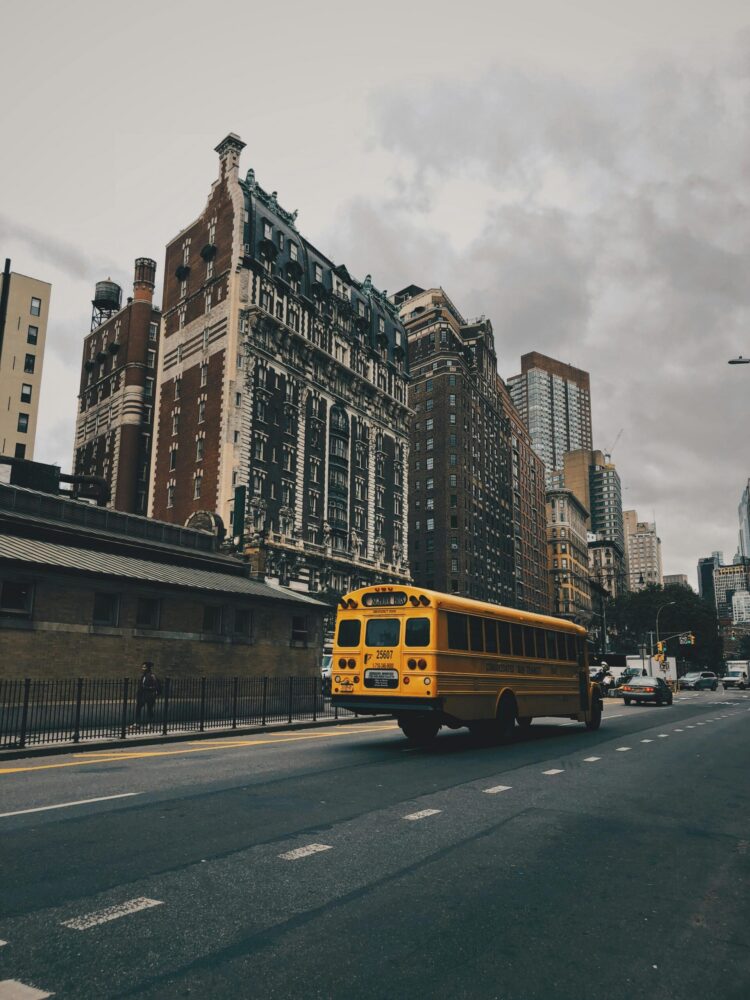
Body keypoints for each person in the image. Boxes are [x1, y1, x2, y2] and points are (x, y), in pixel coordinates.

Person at [134, 662, 161, 728]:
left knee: (149, 709)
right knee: (138, 708)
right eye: (142, 667)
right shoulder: (143, 676)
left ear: (148, 668)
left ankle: (150, 724)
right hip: (142, 695)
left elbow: (156, 686)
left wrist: (148, 689)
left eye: (144, 667)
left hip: (150, 695)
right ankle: (137, 723)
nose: (143, 669)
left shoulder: (152, 676)